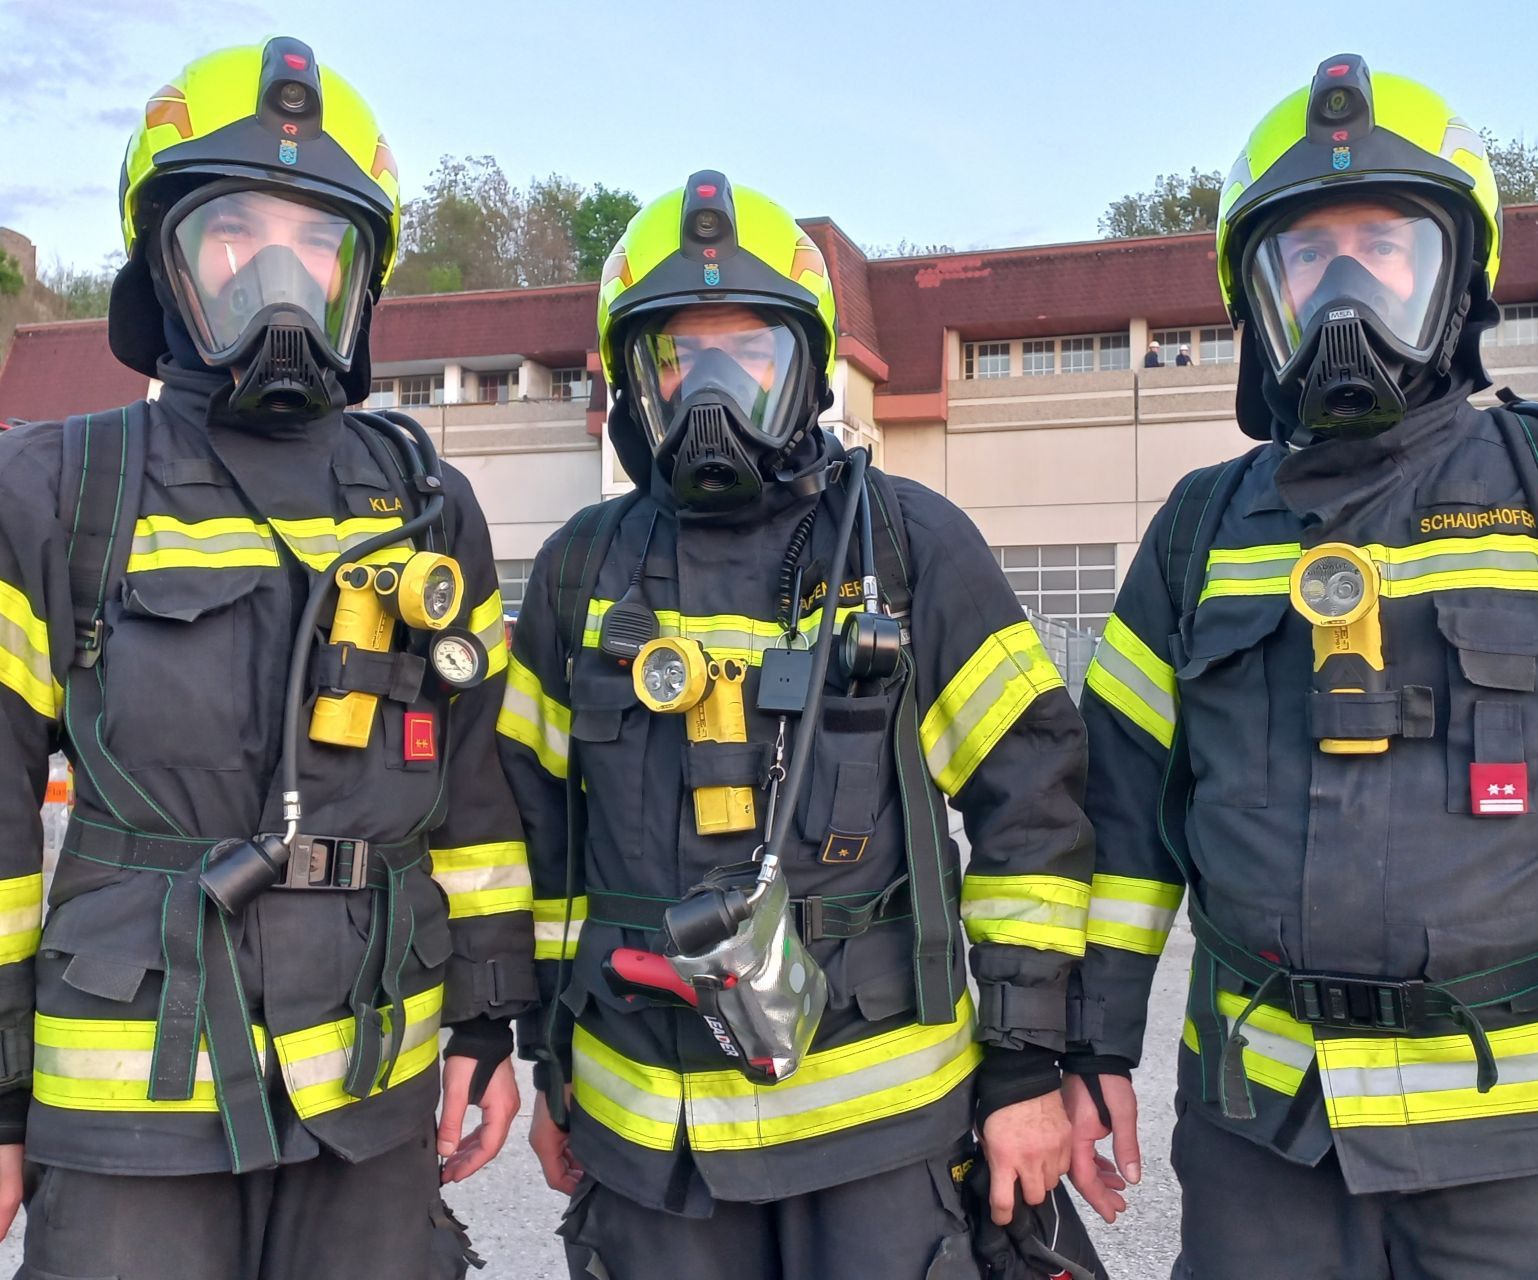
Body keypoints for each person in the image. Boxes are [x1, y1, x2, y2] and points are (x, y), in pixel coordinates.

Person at [1064, 53, 1538, 1279]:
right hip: (1265, 1147)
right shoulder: (1202, 531)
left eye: (1385, 249)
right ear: (1259, 296)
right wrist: (1089, 1050)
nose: (1346, 288)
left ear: (1456, 278)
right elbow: (1118, 824)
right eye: (1309, 257)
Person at [499, 171, 1095, 1280]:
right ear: (632, 379)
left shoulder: (910, 549)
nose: (712, 392)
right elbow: (535, 837)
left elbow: (1033, 807)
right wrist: (547, 1059)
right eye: (679, 357)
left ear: (808, 370)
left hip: (877, 1140)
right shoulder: (579, 571)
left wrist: (1024, 1069)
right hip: (648, 1143)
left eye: (750, 354)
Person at [0, 38, 532, 1278]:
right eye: (235, 232)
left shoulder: (429, 504)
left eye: (317, 239)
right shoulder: (55, 487)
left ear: (360, 275)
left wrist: (489, 1020)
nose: (278, 273)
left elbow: (478, 792)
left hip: (373, 1095)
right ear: (165, 259)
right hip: (132, 1106)